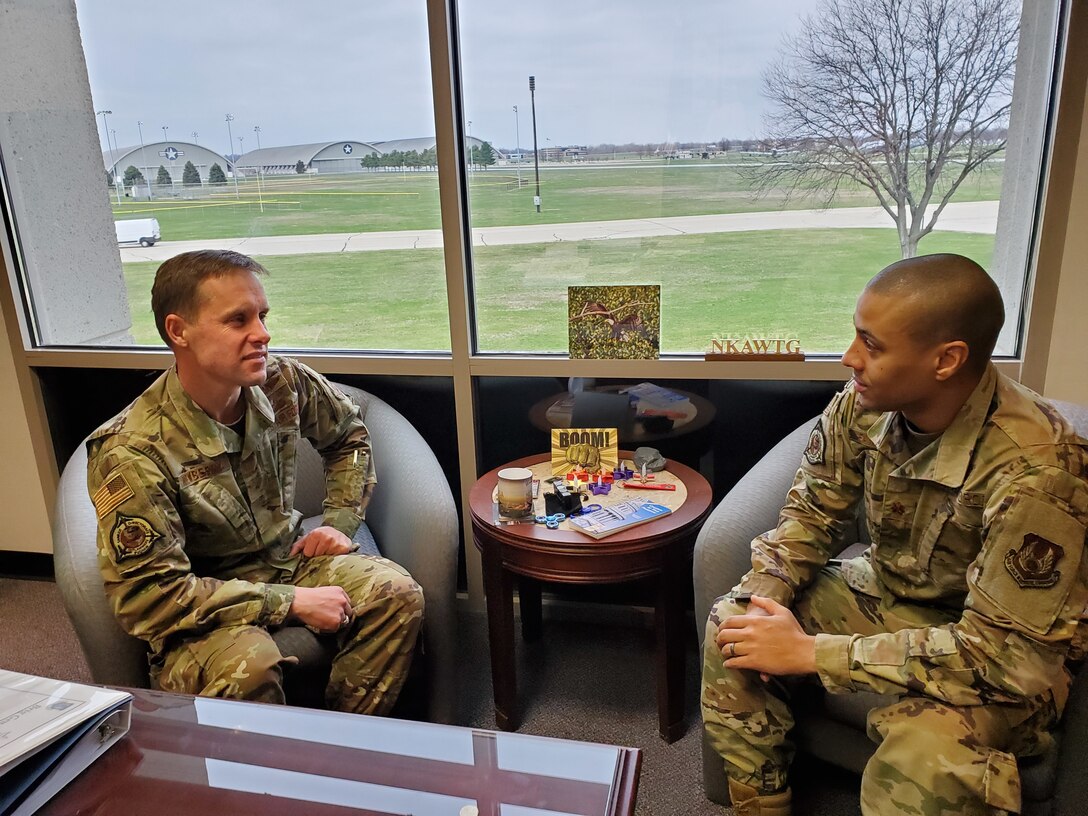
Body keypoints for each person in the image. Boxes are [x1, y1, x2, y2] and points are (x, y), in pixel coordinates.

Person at [701, 254, 1088, 816]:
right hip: (888, 593)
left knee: (927, 752)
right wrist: (766, 598)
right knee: (732, 627)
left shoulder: (1038, 472)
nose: (850, 358)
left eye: (872, 345)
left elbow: (1009, 661)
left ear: (946, 360)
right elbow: (811, 512)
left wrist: (812, 654)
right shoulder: (864, 404)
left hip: (991, 649)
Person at [86, 249, 424, 715]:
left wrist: (340, 522)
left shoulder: (280, 381)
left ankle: (346, 746)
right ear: (178, 331)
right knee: (252, 664)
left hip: (286, 559)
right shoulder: (132, 450)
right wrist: (290, 603)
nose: (262, 334)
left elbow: (348, 436)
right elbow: (151, 600)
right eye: (237, 320)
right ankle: (263, 784)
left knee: (396, 593)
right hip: (204, 602)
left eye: (262, 316)